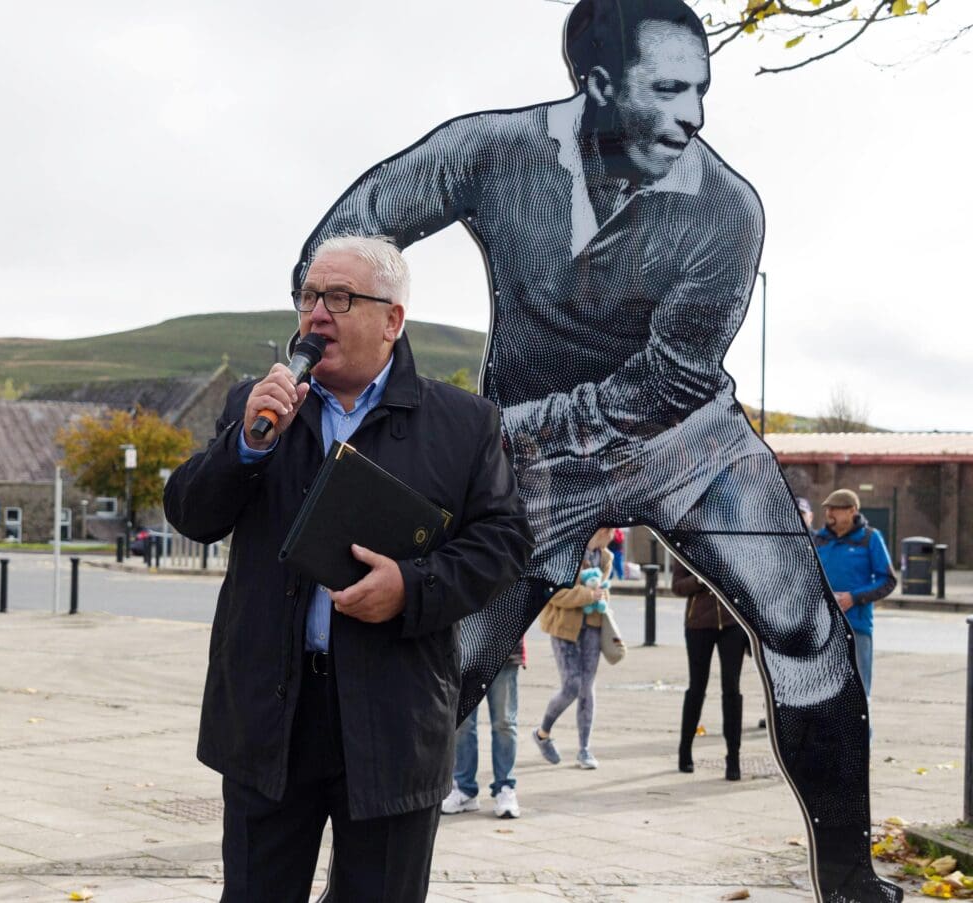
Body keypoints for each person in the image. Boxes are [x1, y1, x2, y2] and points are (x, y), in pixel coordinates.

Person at [294, 1, 901, 899]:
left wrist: (484, 431)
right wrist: (411, 402)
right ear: (599, 85)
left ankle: (850, 883)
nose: (696, 111)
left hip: (688, 443)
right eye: (669, 88)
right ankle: (369, 881)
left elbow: (665, 384)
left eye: (701, 86)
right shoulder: (490, 149)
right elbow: (345, 238)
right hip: (526, 464)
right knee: (448, 662)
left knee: (806, 627)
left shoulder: (728, 208)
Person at [164, 235, 532, 903]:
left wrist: (411, 588)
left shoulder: (462, 424)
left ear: (393, 319)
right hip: (269, 716)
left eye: (340, 298)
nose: (317, 315)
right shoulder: (258, 406)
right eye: (308, 297)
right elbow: (190, 513)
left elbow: (504, 543)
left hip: (393, 718)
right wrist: (244, 443)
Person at [532, 528, 614, 770]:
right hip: (563, 627)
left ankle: (584, 749)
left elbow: (604, 590)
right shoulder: (567, 549)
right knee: (572, 685)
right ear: (603, 530)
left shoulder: (606, 557)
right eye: (612, 532)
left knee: (587, 687)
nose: (614, 537)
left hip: (593, 625)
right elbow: (555, 593)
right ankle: (542, 732)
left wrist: (601, 597)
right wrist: (589, 595)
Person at [813, 489, 897, 699]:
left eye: (835, 509)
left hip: (856, 626)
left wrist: (854, 597)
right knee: (824, 692)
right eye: (827, 509)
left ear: (852, 511)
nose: (829, 513)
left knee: (857, 691)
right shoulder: (817, 540)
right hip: (822, 625)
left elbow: (888, 580)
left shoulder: (870, 538)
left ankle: (861, 733)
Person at [673, 560, 749, 781]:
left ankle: (733, 757)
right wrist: (699, 579)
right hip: (698, 624)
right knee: (697, 688)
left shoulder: (733, 544)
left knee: (732, 689)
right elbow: (677, 586)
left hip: (732, 624)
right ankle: (685, 749)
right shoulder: (687, 542)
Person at [441, 638, 524, 819]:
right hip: (466, 649)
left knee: (505, 724)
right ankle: (464, 788)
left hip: (506, 650)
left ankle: (505, 786)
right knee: (463, 724)